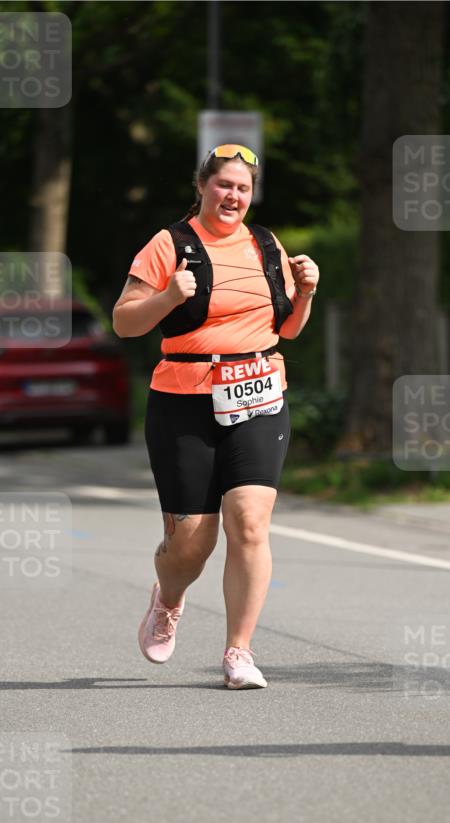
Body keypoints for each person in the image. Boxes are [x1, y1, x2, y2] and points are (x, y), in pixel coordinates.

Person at [112, 144, 319, 690]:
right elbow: (125, 323)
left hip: (258, 391)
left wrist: (309, 292)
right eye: (224, 185)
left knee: (250, 522)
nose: (234, 196)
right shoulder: (169, 244)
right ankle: (169, 599)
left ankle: (239, 652)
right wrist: (166, 297)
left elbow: (290, 330)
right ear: (203, 186)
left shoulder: (267, 245)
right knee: (191, 544)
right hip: (183, 398)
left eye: (243, 188)